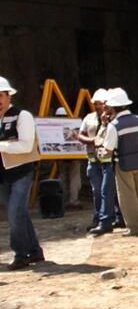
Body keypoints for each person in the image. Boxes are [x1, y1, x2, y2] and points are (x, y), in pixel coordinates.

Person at [0, 76, 44, 270]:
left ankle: (21, 254)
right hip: (2, 176)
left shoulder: (22, 115)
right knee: (20, 214)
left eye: (0, 96)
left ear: (8, 96)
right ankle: (35, 251)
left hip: (21, 173)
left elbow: (26, 145)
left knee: (14, 214)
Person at [103, 88, 138, 236]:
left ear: (113, 107)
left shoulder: (114, 125)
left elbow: (108, 149)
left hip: (124, 164)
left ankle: (136, 228)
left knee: (127, 196)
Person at [89, 107, 125, 234]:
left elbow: (102, 144)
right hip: (107, 163)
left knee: (107, 192)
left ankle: (105, 222)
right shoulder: (109, 125)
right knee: (110, 192)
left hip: (110, 163)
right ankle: (116, 219)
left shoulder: (113, 126)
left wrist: (104, 126)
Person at [78, 88, 108, 229]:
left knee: (108, 190)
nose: (98, 106)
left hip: (108, 161)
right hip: (93, 161)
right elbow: (80, 135)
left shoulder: (111, 118)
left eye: (101, 103)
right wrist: (92, 140)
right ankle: (98, 217)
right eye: (96, 103)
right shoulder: (88, 118)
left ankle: (113, 216)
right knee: (97, 191)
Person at [54, 106, 83, 209]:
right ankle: (73, 200)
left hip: (61, 156)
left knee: (63, 177)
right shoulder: (72, 124)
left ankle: (64, 200)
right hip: (73, 156)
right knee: (74, 178)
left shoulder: (54, 126)